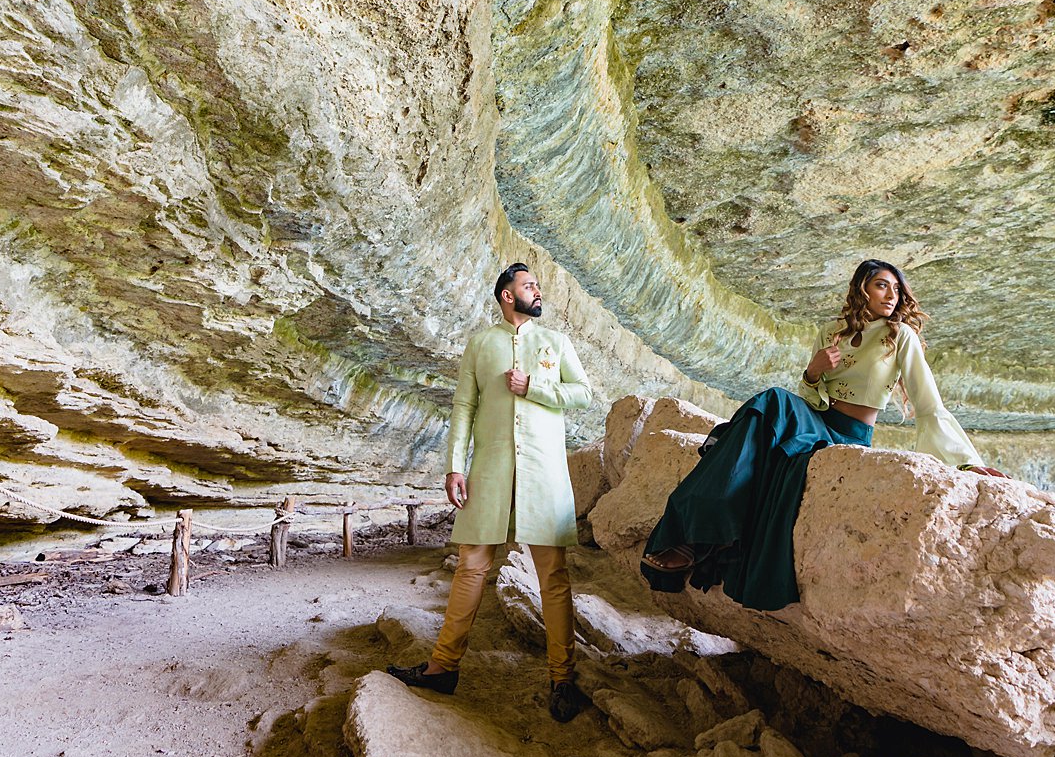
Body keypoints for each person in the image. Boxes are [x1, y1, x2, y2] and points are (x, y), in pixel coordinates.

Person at [638, 259, 1003, 611]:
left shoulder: (899, 336)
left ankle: (700, 531)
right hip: (817, 417)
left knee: (772, 414)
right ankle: (694, 528)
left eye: (896, 289)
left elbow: (928, 405)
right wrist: (812, 372)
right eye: (881, 285)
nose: (891, 295)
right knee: (771, 401)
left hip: (849, 435)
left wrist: (965, 463)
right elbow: (813, 395)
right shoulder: (830, 333)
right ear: (862, 289)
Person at [388, 263, 595, 722]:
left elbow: (583, 394)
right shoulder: (481, 345)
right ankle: (443, 666)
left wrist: (535, 386)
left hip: (543, 473)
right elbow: (463, 406)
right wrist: (453, 467)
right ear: (507, 295)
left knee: (553, 577)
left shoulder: (555, 343)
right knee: (472, 565)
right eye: (529, 285)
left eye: (536, 285)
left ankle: (562, 678)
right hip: (491, 469)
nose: (537, 291)